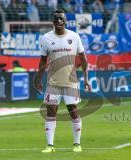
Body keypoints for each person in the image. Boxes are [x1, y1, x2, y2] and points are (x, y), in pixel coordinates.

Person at [35, 9, 91, 153]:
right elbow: (42, 61)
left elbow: (84, 58)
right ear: (53, 22)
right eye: (56, 20)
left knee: (73, 110)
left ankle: (77, 143)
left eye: (61, 19)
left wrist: (85, 78)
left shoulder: (74, 36)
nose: (58, 22)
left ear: (65, 21)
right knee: (51, 112)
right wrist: (39, 78)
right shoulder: (46, 38)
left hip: (71, 82)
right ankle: (50, 146)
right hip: (52, 82)